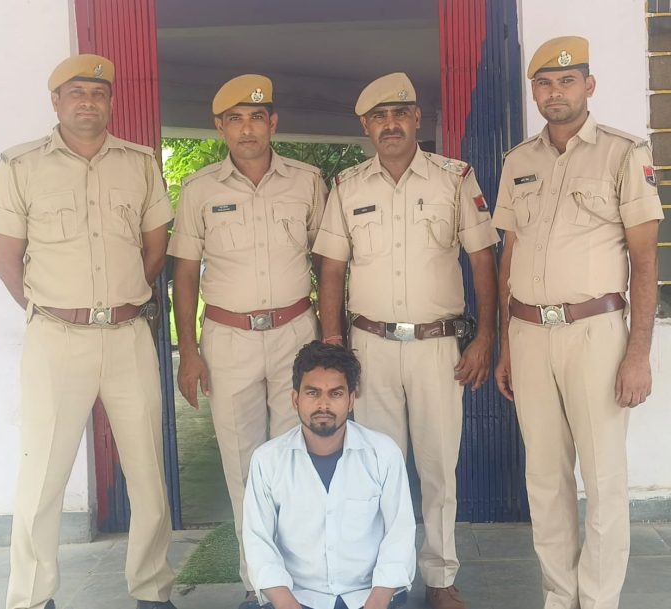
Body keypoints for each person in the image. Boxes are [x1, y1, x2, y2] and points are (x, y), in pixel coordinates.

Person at [0, 55, 177, 609]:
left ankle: (152, 590)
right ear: (56, 101)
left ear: (111, 101)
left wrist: (121, 302)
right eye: (76, 92)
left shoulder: (140, 164)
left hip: (126, 335)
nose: (88, 102)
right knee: (43, 475)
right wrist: (55, 311)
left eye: (98, 93)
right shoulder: (20, 165)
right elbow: (6, 260)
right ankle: (31, 596)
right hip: (56, 337)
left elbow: (155, 248)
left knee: (147, 471)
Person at [313, 72, 499, 609]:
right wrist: (334, 342)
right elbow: (332, 268)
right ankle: (387, 579)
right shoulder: (348, 186)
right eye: (379, 116)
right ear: (365, 126)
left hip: (438, 348)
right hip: (369, 348)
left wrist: (486, 336)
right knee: (377, 469)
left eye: (400, 113)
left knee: (439, 468)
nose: (390, 124)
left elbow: (482, 259)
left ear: (418, 118)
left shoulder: (454, 178)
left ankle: (440, 578)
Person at [492, 36, 663, 609]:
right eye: (544, 83)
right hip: (528, 334)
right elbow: (509, 255)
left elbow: (645, 261)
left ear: (588, 85)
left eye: (567, 81)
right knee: (545, 479)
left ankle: (599, 601)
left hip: (596, 334)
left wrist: (638, 353)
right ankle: (559, 597)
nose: (555, 92)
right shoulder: (518, 161)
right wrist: (506, 345)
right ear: (534, 92)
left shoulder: (623, 153)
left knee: (604, 478)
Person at [168, 74, 327, 607]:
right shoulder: (199, 190)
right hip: (228, 339)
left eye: (257, 117)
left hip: (295, 335)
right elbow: (184, 273)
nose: (247, 128)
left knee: (296, 462)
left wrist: (332, 338)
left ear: (273, 122)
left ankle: (300, 582)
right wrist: (189, 351)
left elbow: (328, 262)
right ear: (220, 127)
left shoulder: (306, 182)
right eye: (235, 119)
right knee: (243, 466)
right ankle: (258, 586)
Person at [242, 341, 416, 609]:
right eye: (312, 393)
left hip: (368, 597)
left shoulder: (383, 453)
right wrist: (287, 604)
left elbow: (399, 533)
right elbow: (258, 542)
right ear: (295, 399)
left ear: (351, 400)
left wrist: (377, 601)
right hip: (296, 598)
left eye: (336, 394)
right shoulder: (267, 460)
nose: (323, 405)